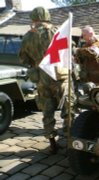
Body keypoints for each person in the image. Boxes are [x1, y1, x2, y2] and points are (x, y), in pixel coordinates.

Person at [19, 6, 74, 154]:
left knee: (47, 110)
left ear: (33, 18)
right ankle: (71, 143)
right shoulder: (57, 31)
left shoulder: (27, 36)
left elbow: (23, 58)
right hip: (59, 76)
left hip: (41, 77)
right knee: (68, 108)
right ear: (48, 16)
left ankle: (52, 144)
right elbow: (70, 49)